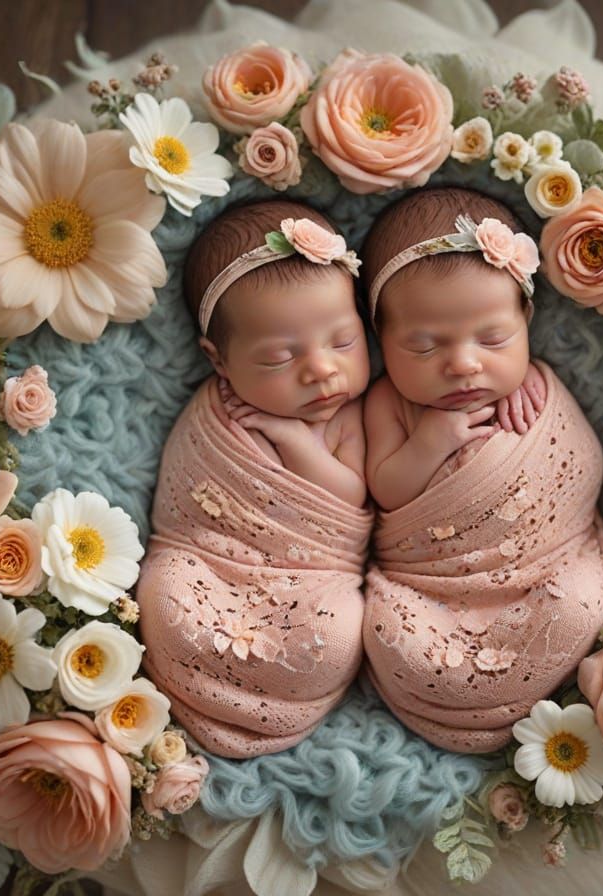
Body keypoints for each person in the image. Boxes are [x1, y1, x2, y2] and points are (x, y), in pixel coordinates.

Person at [361, 187, 603, 753]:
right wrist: (427, 443)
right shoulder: (388, 403)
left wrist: (530, 384)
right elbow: (384, 491)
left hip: (542, 565)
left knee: (575, 603)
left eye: (494, 338)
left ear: (526, 318)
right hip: (430, 586)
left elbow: (580, 463)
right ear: (382, 340)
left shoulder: (535, 385)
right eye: (424, 347)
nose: (464, 364)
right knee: (389, 632)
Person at [136, 200, 371, 758]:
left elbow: (352, 497)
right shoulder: (214, 414)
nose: (320, 370)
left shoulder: (352, 416)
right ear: (220, 362)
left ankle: (286, 693)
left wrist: (292, 441)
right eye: (278, 359)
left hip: (311, 578)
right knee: (166, 590)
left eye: (343, 342)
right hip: (212, 562)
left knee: (338, 632)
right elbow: (183, 506)